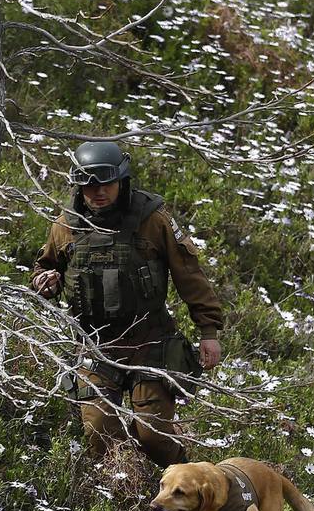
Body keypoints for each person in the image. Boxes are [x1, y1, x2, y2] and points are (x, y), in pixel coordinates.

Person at [31, 141, 223, 468]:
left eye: (105, 184)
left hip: (150, 343)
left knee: (154, 437)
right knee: (100, 437)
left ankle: (186, 492)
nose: (97, 193)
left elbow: (189, 273)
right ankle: (126, 499)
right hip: (95, 346)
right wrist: (45, 282)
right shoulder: (66, 224)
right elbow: (44, 267)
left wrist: (208, 330)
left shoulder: (152, 219)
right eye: (88, 186)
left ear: (122, 179)